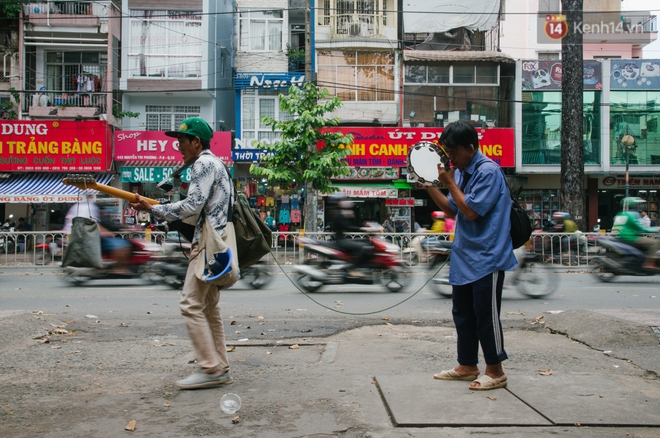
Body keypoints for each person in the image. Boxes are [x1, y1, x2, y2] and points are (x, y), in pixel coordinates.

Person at [130, 117, 234, 389]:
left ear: (196, 142)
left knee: (190, 303)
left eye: (182, 142)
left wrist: (154, 210)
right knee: (209, 307)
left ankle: (210, 368)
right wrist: (158, 208)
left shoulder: (203, 163)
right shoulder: (216, 164)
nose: (179, 147)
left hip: (208, 243)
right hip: (217, 240)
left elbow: (193, 205)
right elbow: (195, 205)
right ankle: (219, 364)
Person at [425, 120, 517, 391]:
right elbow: (453, 209)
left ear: (470, 147)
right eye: (447, 153)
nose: (450, 158)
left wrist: (450, 181)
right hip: (466, 256)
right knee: (462, 313)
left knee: (485, 315)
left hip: (488, 257)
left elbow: (471, 211)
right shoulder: (463, 172)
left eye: (453, 152)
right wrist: (430, 184)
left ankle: (496, 370)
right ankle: (467, 365)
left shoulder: (488, 171)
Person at [326, 194, 373, 277]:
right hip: (341, 240)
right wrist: (362, 229)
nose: (345, 202)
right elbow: (347, 226)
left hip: (342, 239)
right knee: (362, 247)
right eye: (343, 200)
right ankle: (353, 267)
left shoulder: (339, 212)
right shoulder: (338, 213)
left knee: (363, 242)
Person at [612, 197, 660, 271]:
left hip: (622, 236)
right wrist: (655, 229)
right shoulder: (632, 214)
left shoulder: (621, 214)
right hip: (631, 237)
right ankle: (649, 264)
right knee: (655, 243)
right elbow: (641, 228)